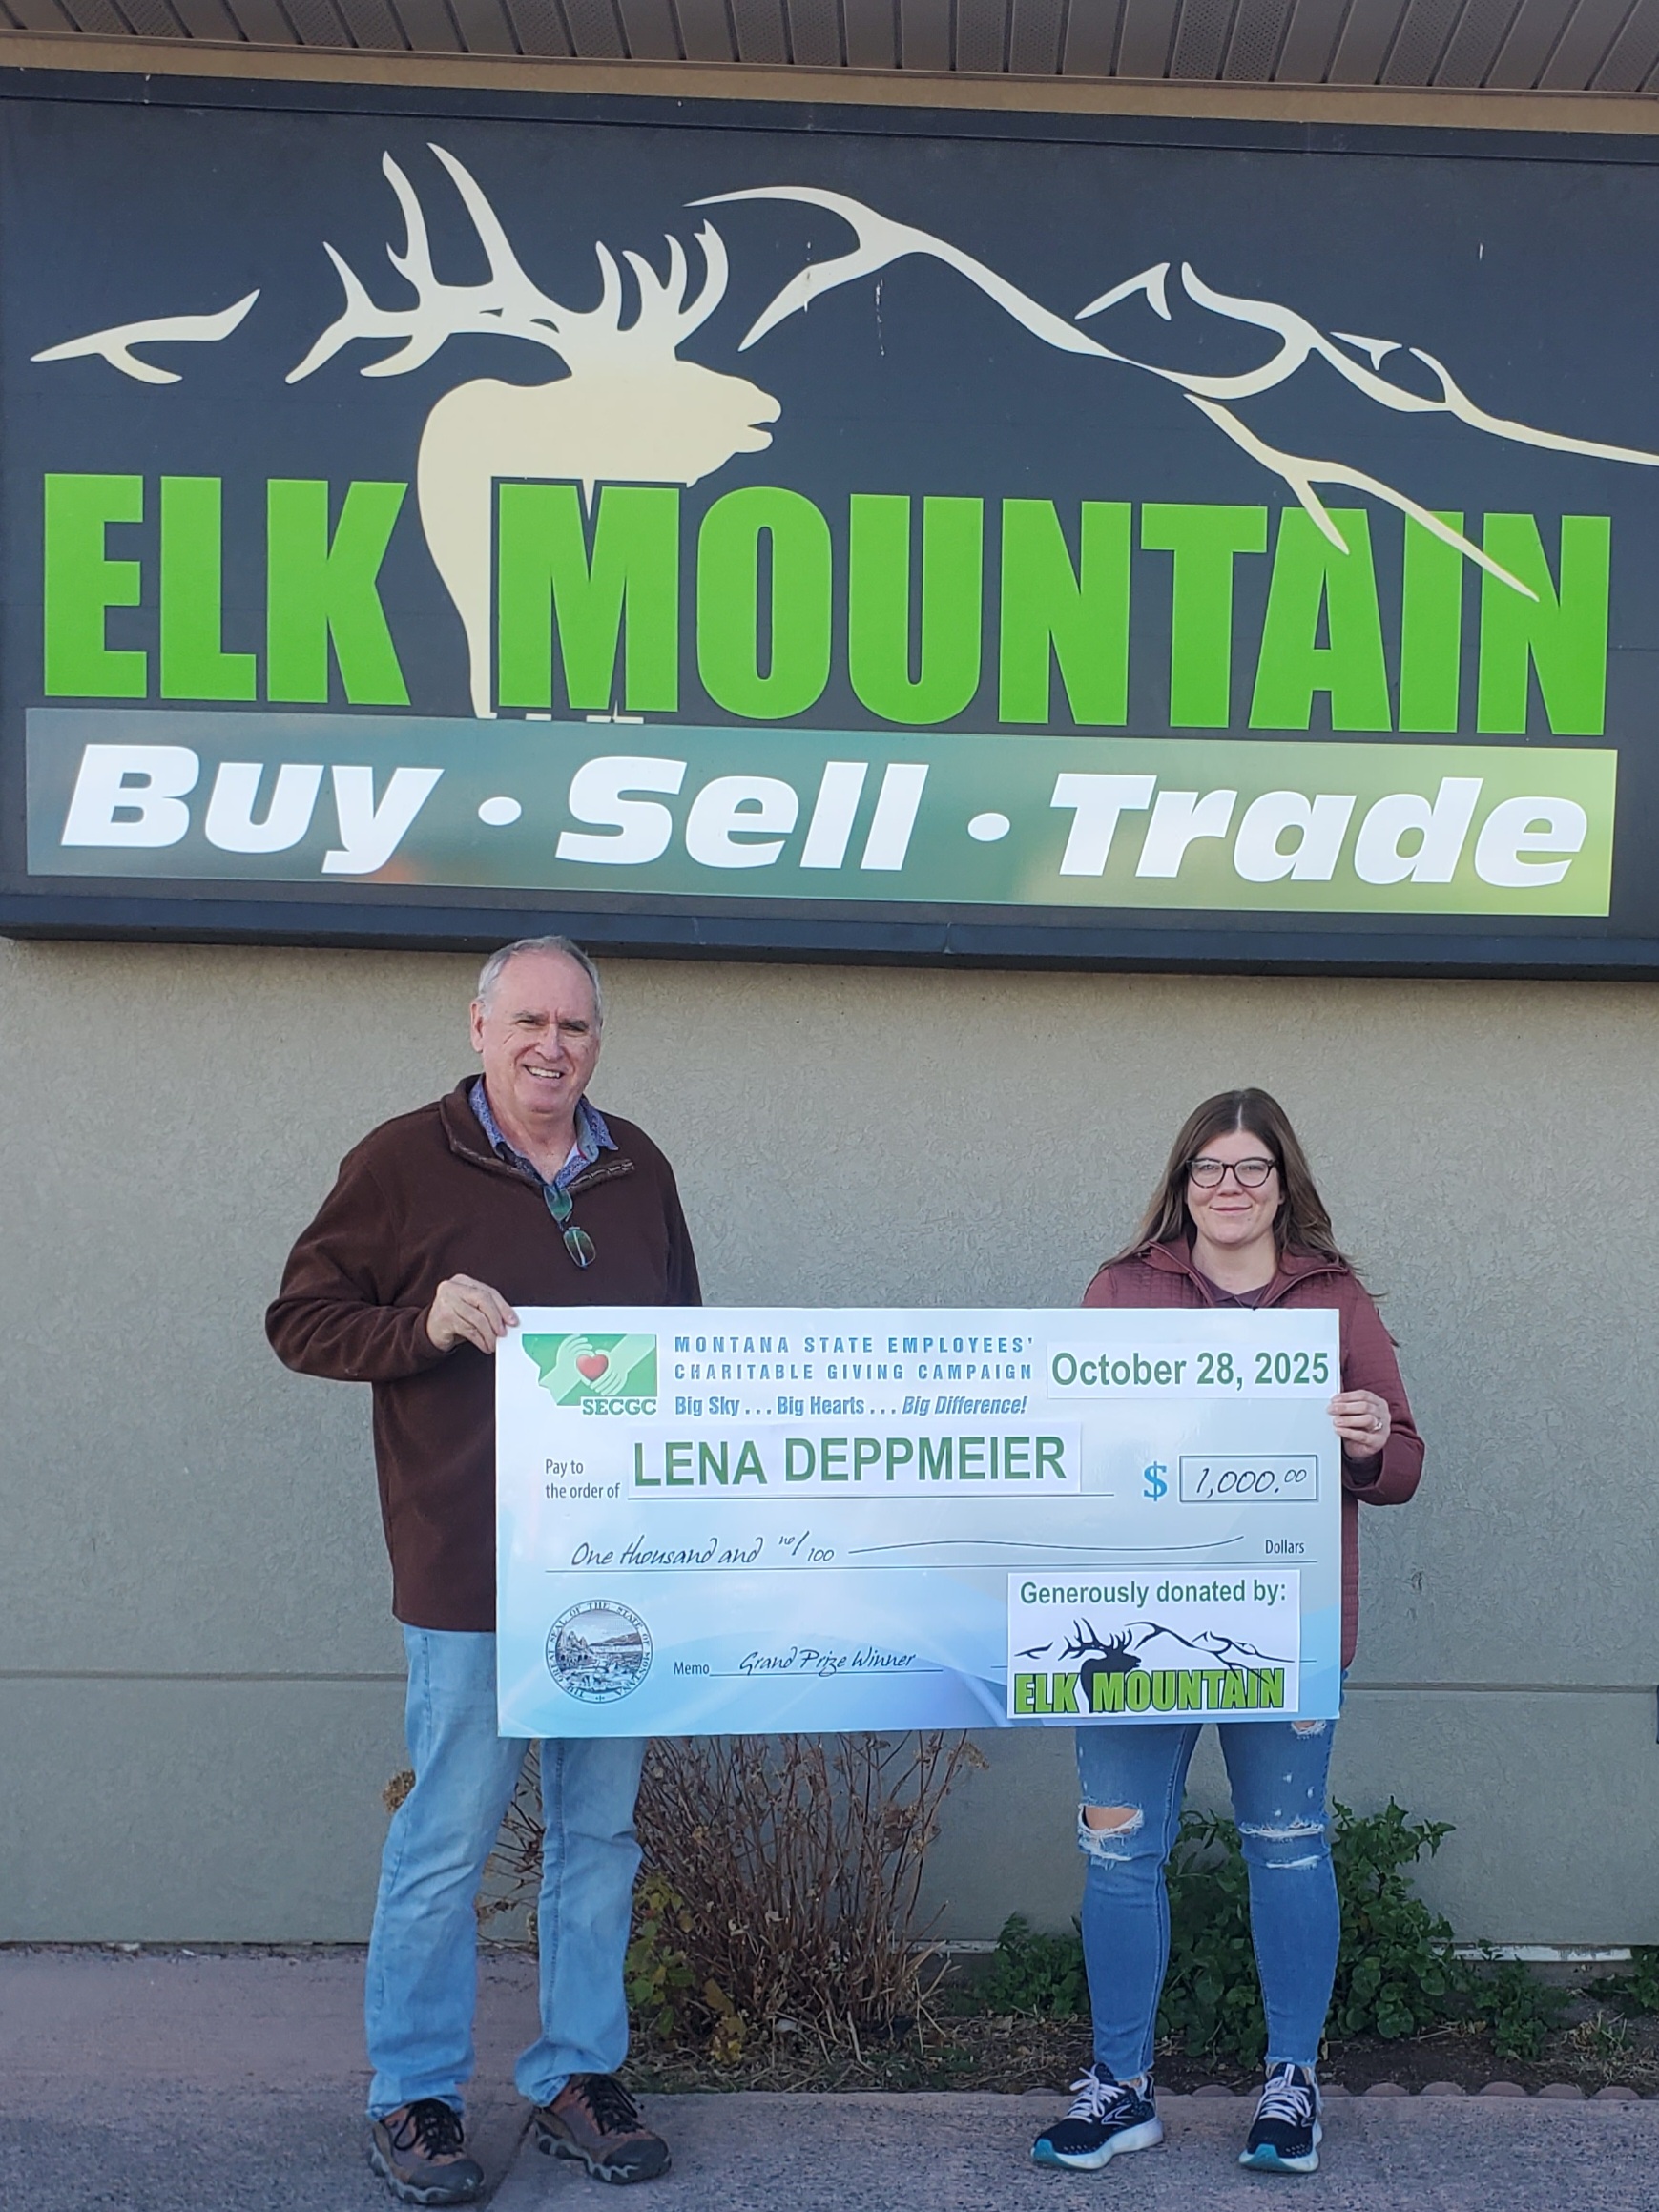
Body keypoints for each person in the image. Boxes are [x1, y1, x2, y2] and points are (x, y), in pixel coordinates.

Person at [267, 935, 699, 2206]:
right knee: (446, 1836)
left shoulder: (638, 1167)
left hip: (613, 1567)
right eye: (526, 1021)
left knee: (598, 1836)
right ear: (477, 1026)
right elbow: (298, 1317)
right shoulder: (401, 1159)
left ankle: (576, 2073)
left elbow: (680, 1351)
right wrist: (420, 1325)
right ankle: (412, 2092)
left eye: (572, 1025)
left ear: (595, 1041)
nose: (548, 1045)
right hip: (469, 1565)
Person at [1030, 1087, 1422, 2180]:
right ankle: (1118, 2088)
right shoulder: (1121, 1290)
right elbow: (1057, 1443)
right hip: (1123, 1625)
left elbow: (1400, 1467)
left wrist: (1366, 1438)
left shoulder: (1331, 1299)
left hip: (1280, 1622)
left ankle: (1289, 2085)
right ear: (1180, 1180)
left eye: (1251, 1168)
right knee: (1117, 1849)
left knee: (1286, 1847)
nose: (1230, 1188)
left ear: (1283, 1181)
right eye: (1209, 1168)